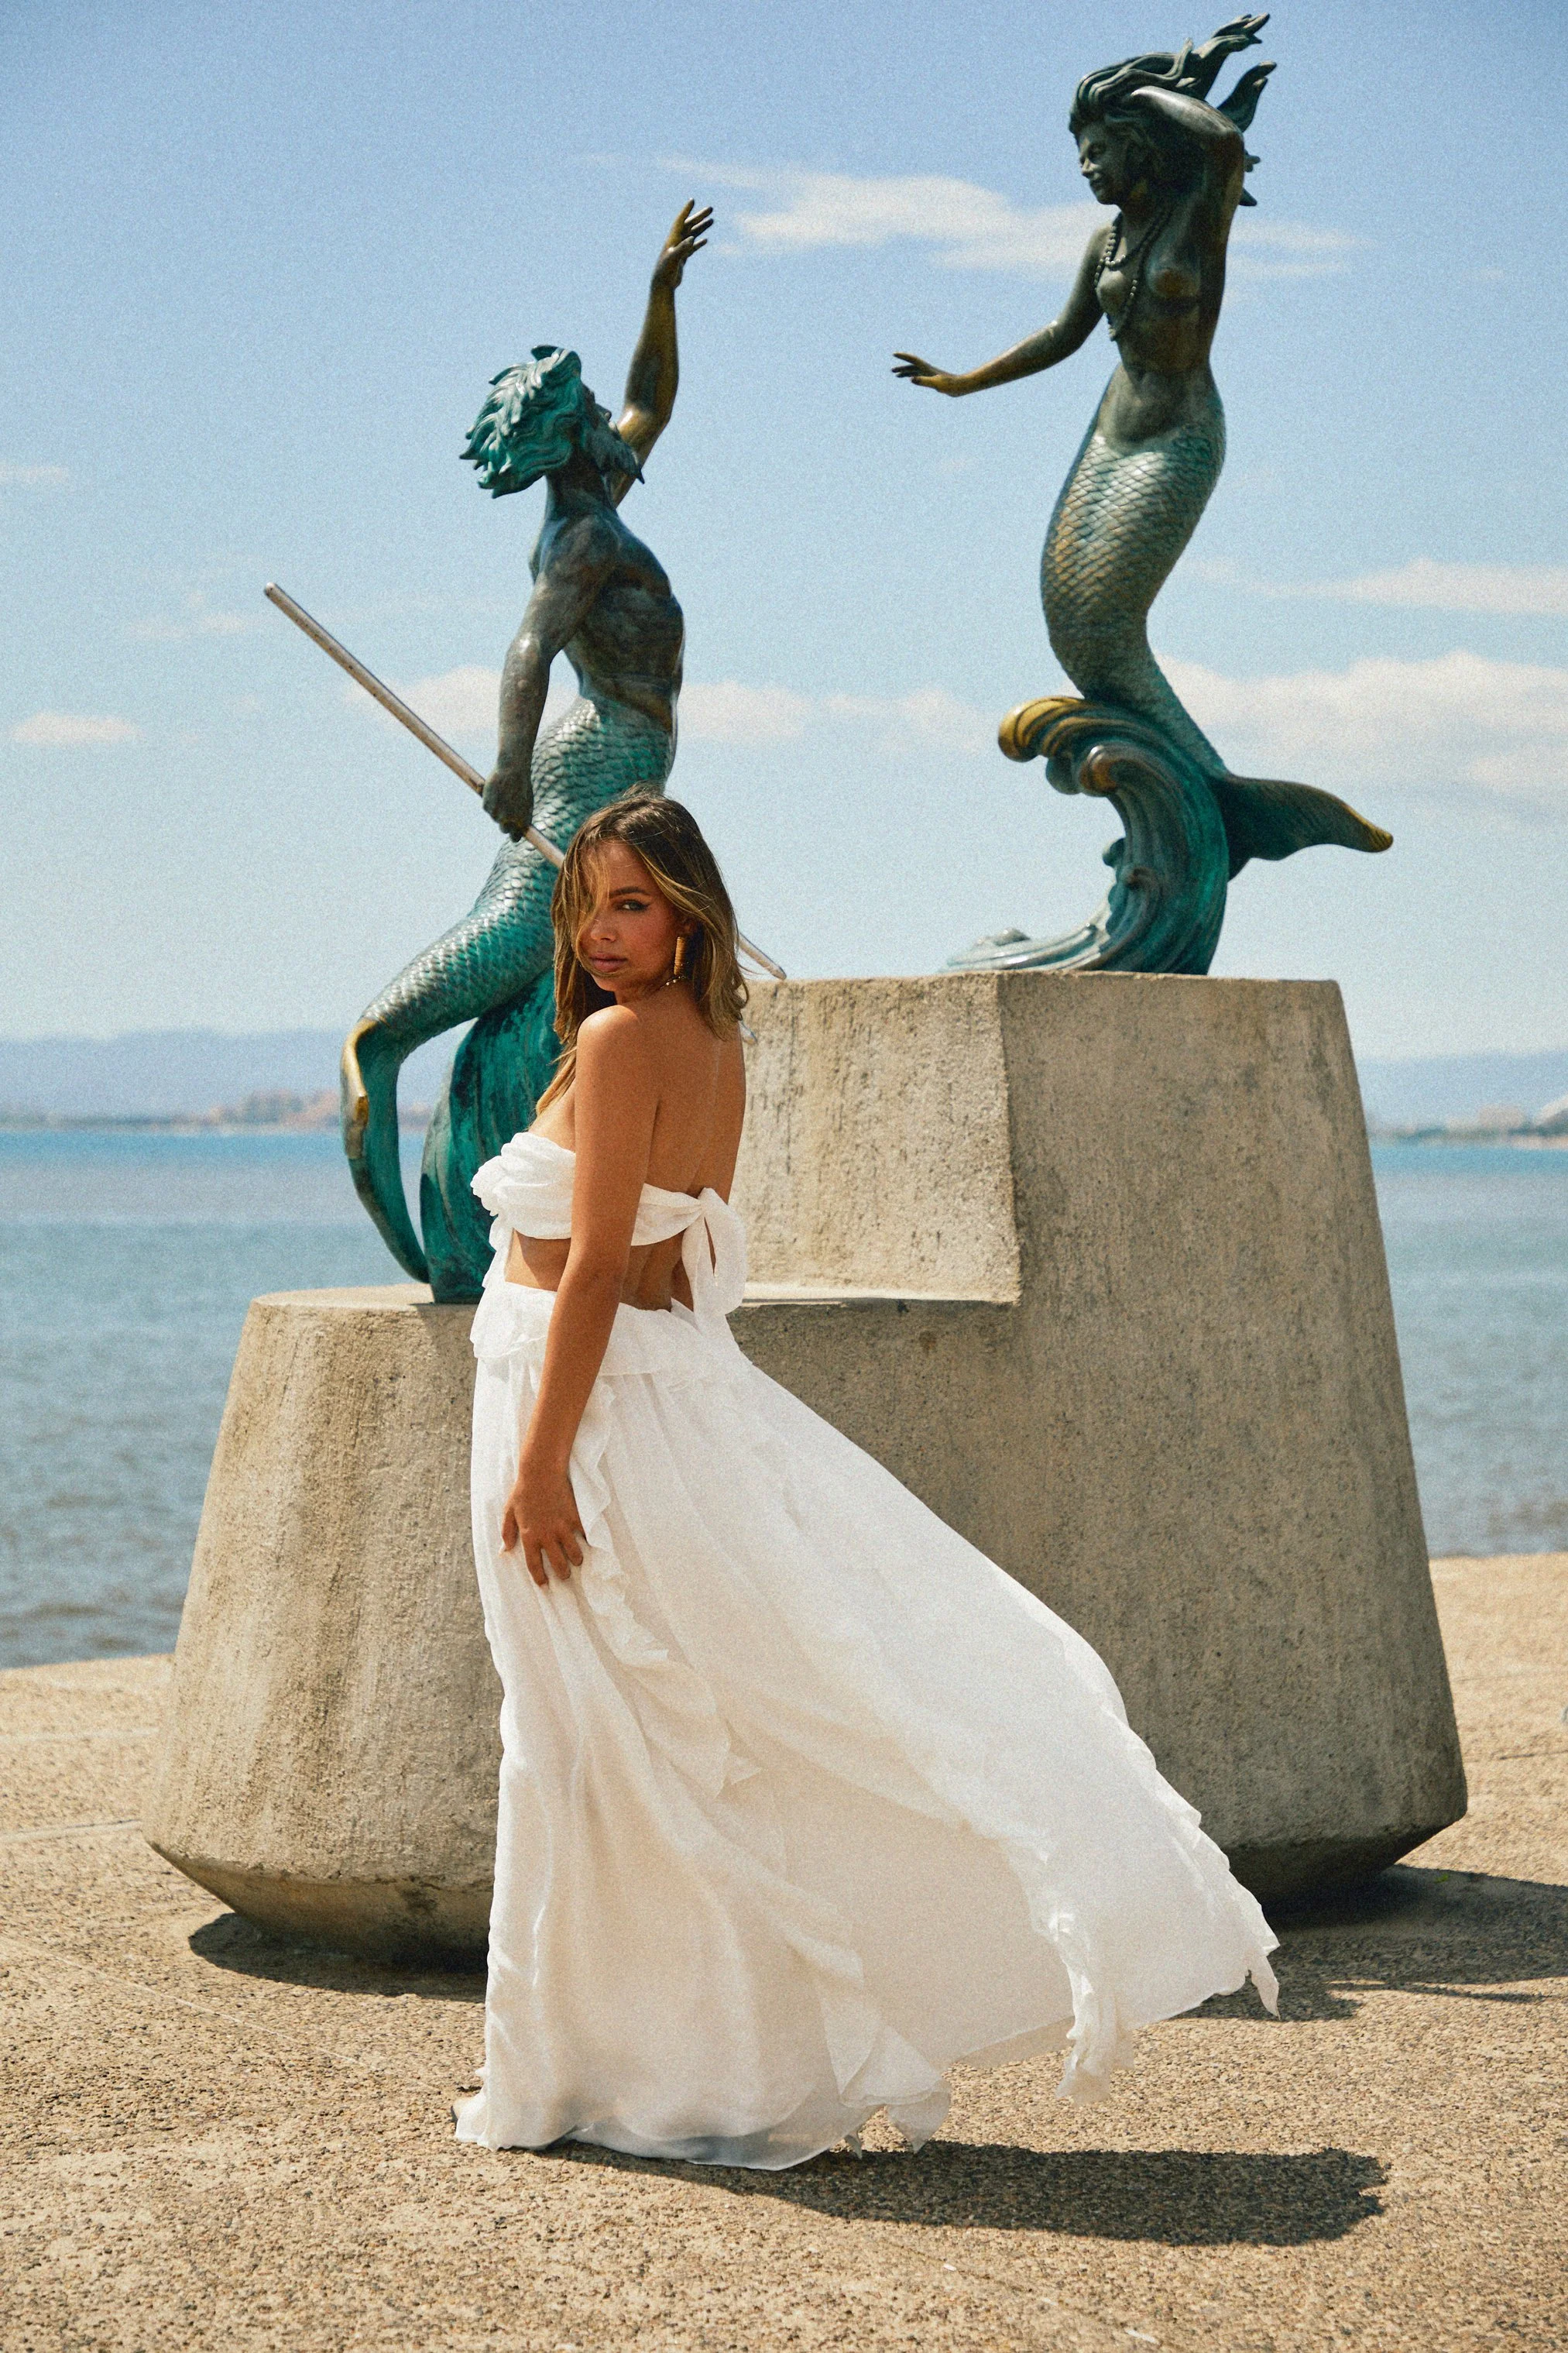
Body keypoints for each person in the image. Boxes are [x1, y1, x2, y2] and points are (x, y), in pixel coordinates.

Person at [453, 792, 1278, 2171]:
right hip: (650, 1393)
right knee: (646, 1736)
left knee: (589, 1735)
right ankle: (657, 2061)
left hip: (578, 1407)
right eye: (588, 904)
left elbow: (597, 1266)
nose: (601, 931)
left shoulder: (615, 1040)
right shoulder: (713, 1040)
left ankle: (617, 2068)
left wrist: (544, 1465)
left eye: (633, 904)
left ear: (689, 915)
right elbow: (680, 1264)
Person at [894, 16, 1388, 900]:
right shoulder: (1106, 242)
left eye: (1099, 149)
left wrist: (1142, 92)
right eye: (1079, 154)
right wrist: (965, 382)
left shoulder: (1197, 216)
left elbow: (1222, 143)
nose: (1086, 168)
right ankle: (1215, 804)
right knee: (1076, 631)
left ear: (1141, 143)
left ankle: (1214, 803)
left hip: (1178, 437)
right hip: (1109, 433)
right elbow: (1062, 334)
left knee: (1103, 630)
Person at [341, 202, 712, 1302]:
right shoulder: (585, 536)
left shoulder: (602, 497)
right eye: (588, 410)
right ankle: (375, 1060)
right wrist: (507, 770)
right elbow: (528, 648)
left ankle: (478, 1218)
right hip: (589, 769)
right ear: (565, 434)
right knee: (506, 942)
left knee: (539, 994)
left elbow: (653, 402)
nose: (609, 418)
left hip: (611, 760)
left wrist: (662, 292)